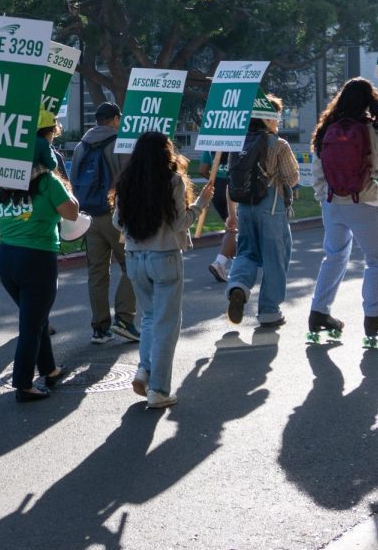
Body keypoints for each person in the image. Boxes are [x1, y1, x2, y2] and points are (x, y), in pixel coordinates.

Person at [114, 132, 214, 408]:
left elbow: (117, 221)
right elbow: (181, 223)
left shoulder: (127, 182)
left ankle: (145, 371)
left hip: (134, 257)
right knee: (166, 325)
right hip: (165, 257)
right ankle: (158, 389)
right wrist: (200, 205)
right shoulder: (173, 180)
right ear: (166, 152)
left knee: (148, 319)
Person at [307, 78, 378, 341]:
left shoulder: (326, 129)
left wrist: (325, 197)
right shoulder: (374, 130)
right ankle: (374, 318)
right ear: (370, 101)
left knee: (333, 256)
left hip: (332, 203)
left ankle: (319, 312)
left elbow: (318, 170)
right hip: (364, 203)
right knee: (377, 260)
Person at [0, 131, 80, 402]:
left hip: (6, 257)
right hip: (37, 258)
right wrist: (66, 189)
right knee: (31, 324)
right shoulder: (48, 182)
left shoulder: (3, 186)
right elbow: (72, 213)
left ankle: (49, 369)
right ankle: (23, 384)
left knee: (35, 317)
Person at [224, 95, 300, 327]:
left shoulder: (237, 141)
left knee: (246, 252)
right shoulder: (278, 144)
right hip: (271, 206)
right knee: (275, 257)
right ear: (267, 119)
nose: (278, 121)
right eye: (276, 116)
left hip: (245, 206)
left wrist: (232, 213)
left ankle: (238, 285)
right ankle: (269, 309)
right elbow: (292, 177)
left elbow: (231, 179)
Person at [72, 101, 137, 343]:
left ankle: (99, 327)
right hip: (115, 216)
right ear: (116, 119)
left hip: (89, 216)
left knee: (97, 272)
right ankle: (124, 318)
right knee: (132, 265)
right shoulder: (121, 143)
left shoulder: (81, 146)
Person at [200, 150, 237, 282]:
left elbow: (203, 169)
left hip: (217, 187)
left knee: (233, 228)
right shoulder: (238, 142)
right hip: (233, 187)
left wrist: (214, 178)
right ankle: (220, 262)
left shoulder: (211, 146)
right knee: (233, 229)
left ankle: (236, 263)